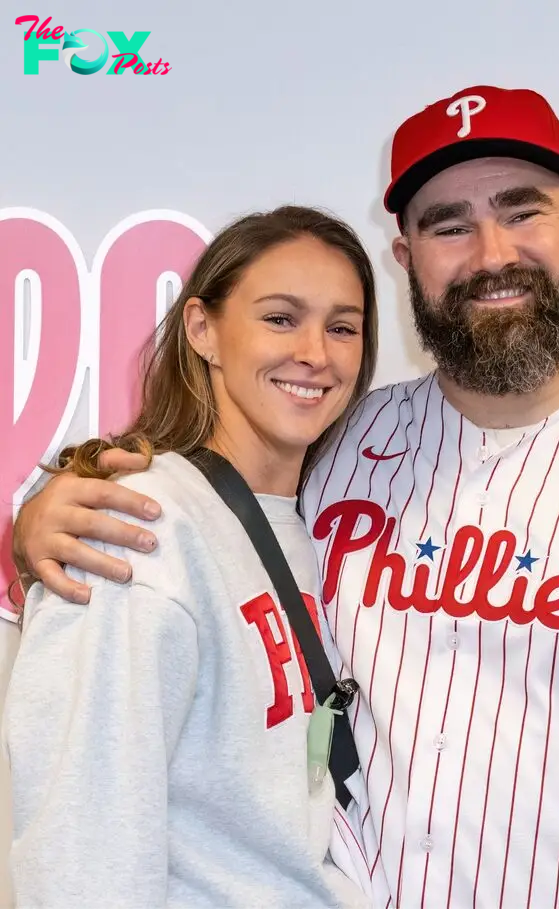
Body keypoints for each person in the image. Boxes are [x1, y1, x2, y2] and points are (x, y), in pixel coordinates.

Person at [11, 86, 559, 909]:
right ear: (407, 256)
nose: (491, 252)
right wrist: (40, 518)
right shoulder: (333, 452)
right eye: (449, 224)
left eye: (523, 211)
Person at [3, 205, 381, 907]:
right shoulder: (137, 523)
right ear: (203, 329)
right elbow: (83, 848)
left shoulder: (303, 525)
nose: (315, 352)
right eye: (279, 317)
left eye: (341, 326)